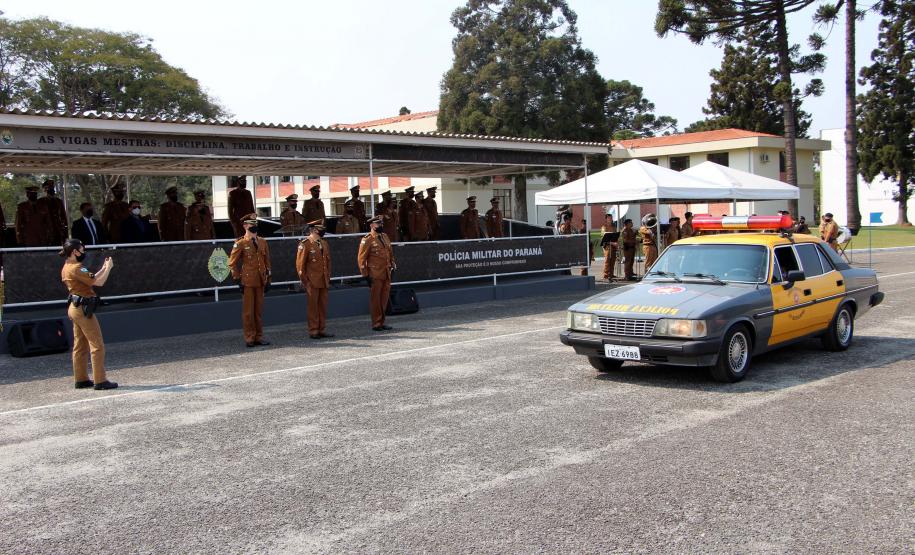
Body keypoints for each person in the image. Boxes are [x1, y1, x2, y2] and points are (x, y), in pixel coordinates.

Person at [59, 238, 117, 390]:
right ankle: (100, 380)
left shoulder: (67, 267)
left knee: (80, 345)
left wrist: (103, 268)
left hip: (74, 307)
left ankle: (81, 379)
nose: (83, 253)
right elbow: (99, 282)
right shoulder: (77, 268)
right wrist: (109, 268)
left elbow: (92, 279)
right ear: (75, 252)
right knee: (97, 345)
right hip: (82, 309)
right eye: (82, 250)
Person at [228, 213, 272, 347]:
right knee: (248, 312)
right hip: (247, 281)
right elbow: (232, 263)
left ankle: (259, 336)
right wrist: (237, 279)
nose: (254, 226)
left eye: (255, 224)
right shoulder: (240, 243)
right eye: (251, 224)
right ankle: (249, 337)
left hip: (260, 280)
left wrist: (269, 279)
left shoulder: (262, 241)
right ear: (245, 226)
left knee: (258, 311)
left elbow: (267, 262)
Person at [296, 220, 333, 339]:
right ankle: (313, 330)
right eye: (321, 228)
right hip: (312, 281)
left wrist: (328, 277)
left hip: (323, 280)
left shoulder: (324, 243)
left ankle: (322, 329)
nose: (323, 230)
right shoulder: (305, 244)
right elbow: (300, 265)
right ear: (315, 230)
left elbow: (328, 262)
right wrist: (305, 281)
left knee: (322, 306)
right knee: (313, 307)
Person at [358, 215, 396, 331]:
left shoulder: (385, 236)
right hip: (375, 274)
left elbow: (390, 252)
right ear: (372, 225)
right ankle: (376, 323)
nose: (381, 225)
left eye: (381, 223)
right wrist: (365, 275)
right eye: (378, 224)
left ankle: (381, 321)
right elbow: (361, 259)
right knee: (376, 299)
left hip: (386, 272)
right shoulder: (367, 239)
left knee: (384, 298)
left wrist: (393, 264)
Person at [38, 179, 68, 245]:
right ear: (45, 189)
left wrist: (65, 232)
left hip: (58, 231)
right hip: (46, 233)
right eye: (49, 188)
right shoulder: (40, 202)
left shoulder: (59, 201)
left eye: (52, 187)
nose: (51, 189)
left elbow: (63, 217)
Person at [599, 213, 618, 281]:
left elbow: (615, 236)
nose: (610, 219)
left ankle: (611, 274)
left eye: (611, 218)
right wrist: (612, 243)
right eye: (609, 218)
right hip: (607, 246)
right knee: (607, 260)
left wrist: (617, 243)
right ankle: (606, 275)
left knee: (613, 260)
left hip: (613, 246)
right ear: (606, 219)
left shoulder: (614, 227)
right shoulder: (604, 227)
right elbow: (604, 238)